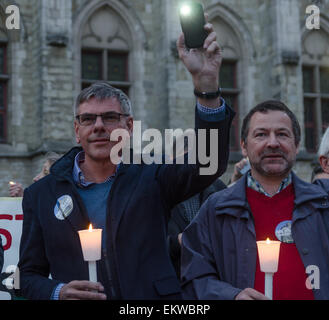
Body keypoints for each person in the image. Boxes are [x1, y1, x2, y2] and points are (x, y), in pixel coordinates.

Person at [18, 23, 235, 300]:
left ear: (128, 127)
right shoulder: (41, 194)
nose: (98, 126)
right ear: (77, 130)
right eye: (88, 119)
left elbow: (209, 162)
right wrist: (57, 291)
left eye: (109, 117)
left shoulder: (153, 176)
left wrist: (206, 86)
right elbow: (26, 275)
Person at [181, 100, 329, 300]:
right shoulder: (216, 209)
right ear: (244, 146)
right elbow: (193, 277)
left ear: (296, 145)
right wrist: (231, 296)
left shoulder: (322, 204)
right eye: (261, 134)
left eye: (282, 134)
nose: (273, 143)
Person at [168, 178, 226, 279]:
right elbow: (140, 247)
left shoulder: (217, 187)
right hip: (172, 282)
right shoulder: (152, 190)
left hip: (212, 283)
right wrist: (176, 242)